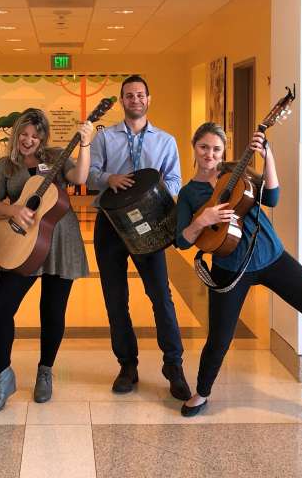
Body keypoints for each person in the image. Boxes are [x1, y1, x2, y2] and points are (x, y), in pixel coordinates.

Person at [175, 123, 302, 427]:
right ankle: (202, 392)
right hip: (229, 268)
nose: (209, 154)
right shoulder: (189, 193)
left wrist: (269, 155)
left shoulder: (237, 172)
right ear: (194, 147)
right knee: (220, 339)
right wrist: (203, 219)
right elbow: (183, 240)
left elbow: (273, 198)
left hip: (271, 256)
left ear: (223, 151)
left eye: (216, 149)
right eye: (204, 147)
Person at [0, 109, 94, 412]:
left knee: (53, 311)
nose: (28, 140)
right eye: (24, 133)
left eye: (35, 135)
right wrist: (12, 211)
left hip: (60, 242)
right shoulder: (5, 167)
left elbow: (80, 177)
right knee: (0, 306)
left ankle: (45, 371)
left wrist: (85, 144)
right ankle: (2, 376)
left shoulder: (57, 157)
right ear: (16, 133)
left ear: (43, 137)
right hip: (20, 243)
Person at [88, 75, 190, 400]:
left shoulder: (166, 141)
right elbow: (89, 173)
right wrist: (108, 178)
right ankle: (127, 365)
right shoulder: (105, 138)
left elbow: (175, 177)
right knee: (115, 299)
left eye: (140, 95)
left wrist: (157, 194)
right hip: (110, 226)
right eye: (129, 95)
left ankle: (173, 365)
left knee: (160, 295)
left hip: (151, 226)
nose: (135, 100)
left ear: (149, 99)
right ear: (122, 101)